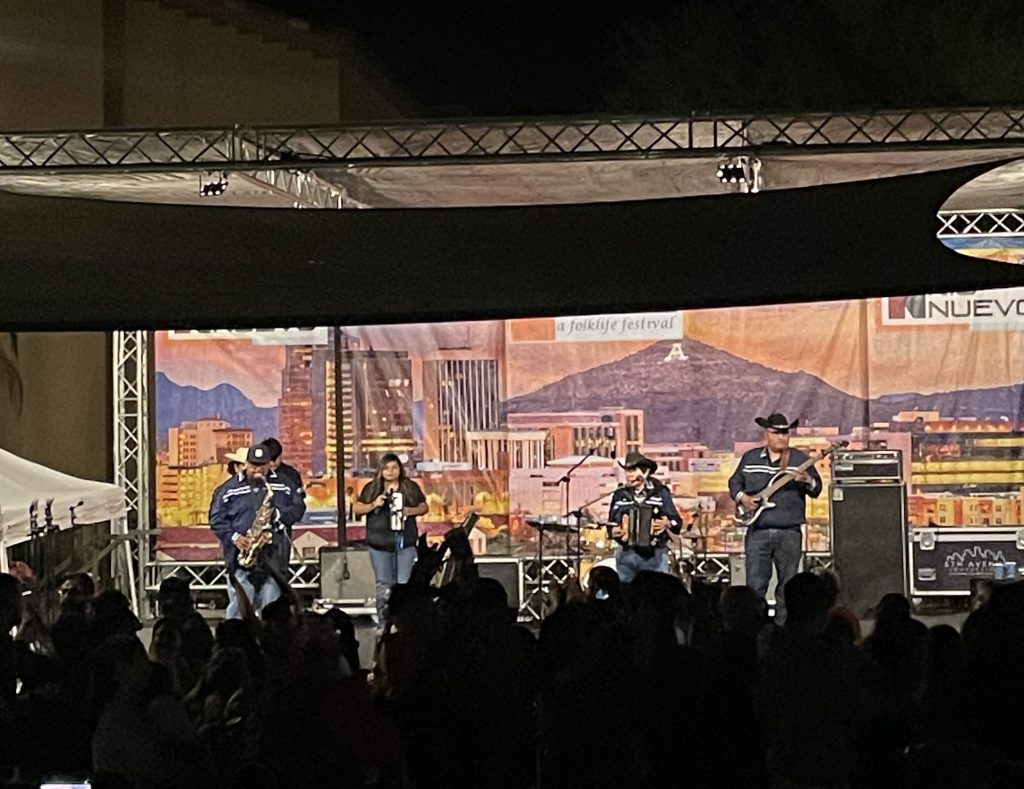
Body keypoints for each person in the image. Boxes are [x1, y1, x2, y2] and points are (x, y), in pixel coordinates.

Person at [728, 412, 822, 624]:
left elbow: (816, 489)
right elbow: (735, 483)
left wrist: (807, 479)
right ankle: (755, 628)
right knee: (755, 585)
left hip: (789, 531)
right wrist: (744, 498)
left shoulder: (800, 460)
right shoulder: (750, 458)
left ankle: (784, 630)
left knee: (788, 586)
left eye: (785, 433)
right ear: (767, 434)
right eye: (777, 433)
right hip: (758, 531)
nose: (782, 437)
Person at [209, 444, 306, 619]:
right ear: (246, 464)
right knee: (240, 605)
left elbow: (298, 507)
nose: (257, 470)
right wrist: (235, 537)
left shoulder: (284, 484)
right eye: (253, 465)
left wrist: (278, 514)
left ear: (269, 464)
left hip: (273, 556)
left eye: (261, 465)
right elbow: (216, 520)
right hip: (240, 556)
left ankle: (270, 640)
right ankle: (236, 639)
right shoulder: (227, 490)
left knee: (272, 607)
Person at [352, 453, 428, 627]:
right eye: (386, 468)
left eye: (394, 468)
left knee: (403, 585)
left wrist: (409, 511)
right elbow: (357, 508)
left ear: (400, 469)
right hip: (379, 545)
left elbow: (424, 507)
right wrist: (374, 504)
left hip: (404, 543)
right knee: (384, 585)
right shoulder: (372, 488)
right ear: (381, 470)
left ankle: (403, 624)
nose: (390, 472)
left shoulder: (409, 487)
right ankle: (384, 624)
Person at [607, 451, 683, 583]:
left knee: (654, 595)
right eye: (627, 471)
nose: (629, 475)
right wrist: (613, 531)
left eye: (633, 471)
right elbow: (611, 523)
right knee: (626, 595)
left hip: (655, 555)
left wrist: (667, 523)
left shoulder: (660, 493)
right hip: (626, 554)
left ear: (645, 472)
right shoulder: (620, 495)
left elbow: (677, 522)